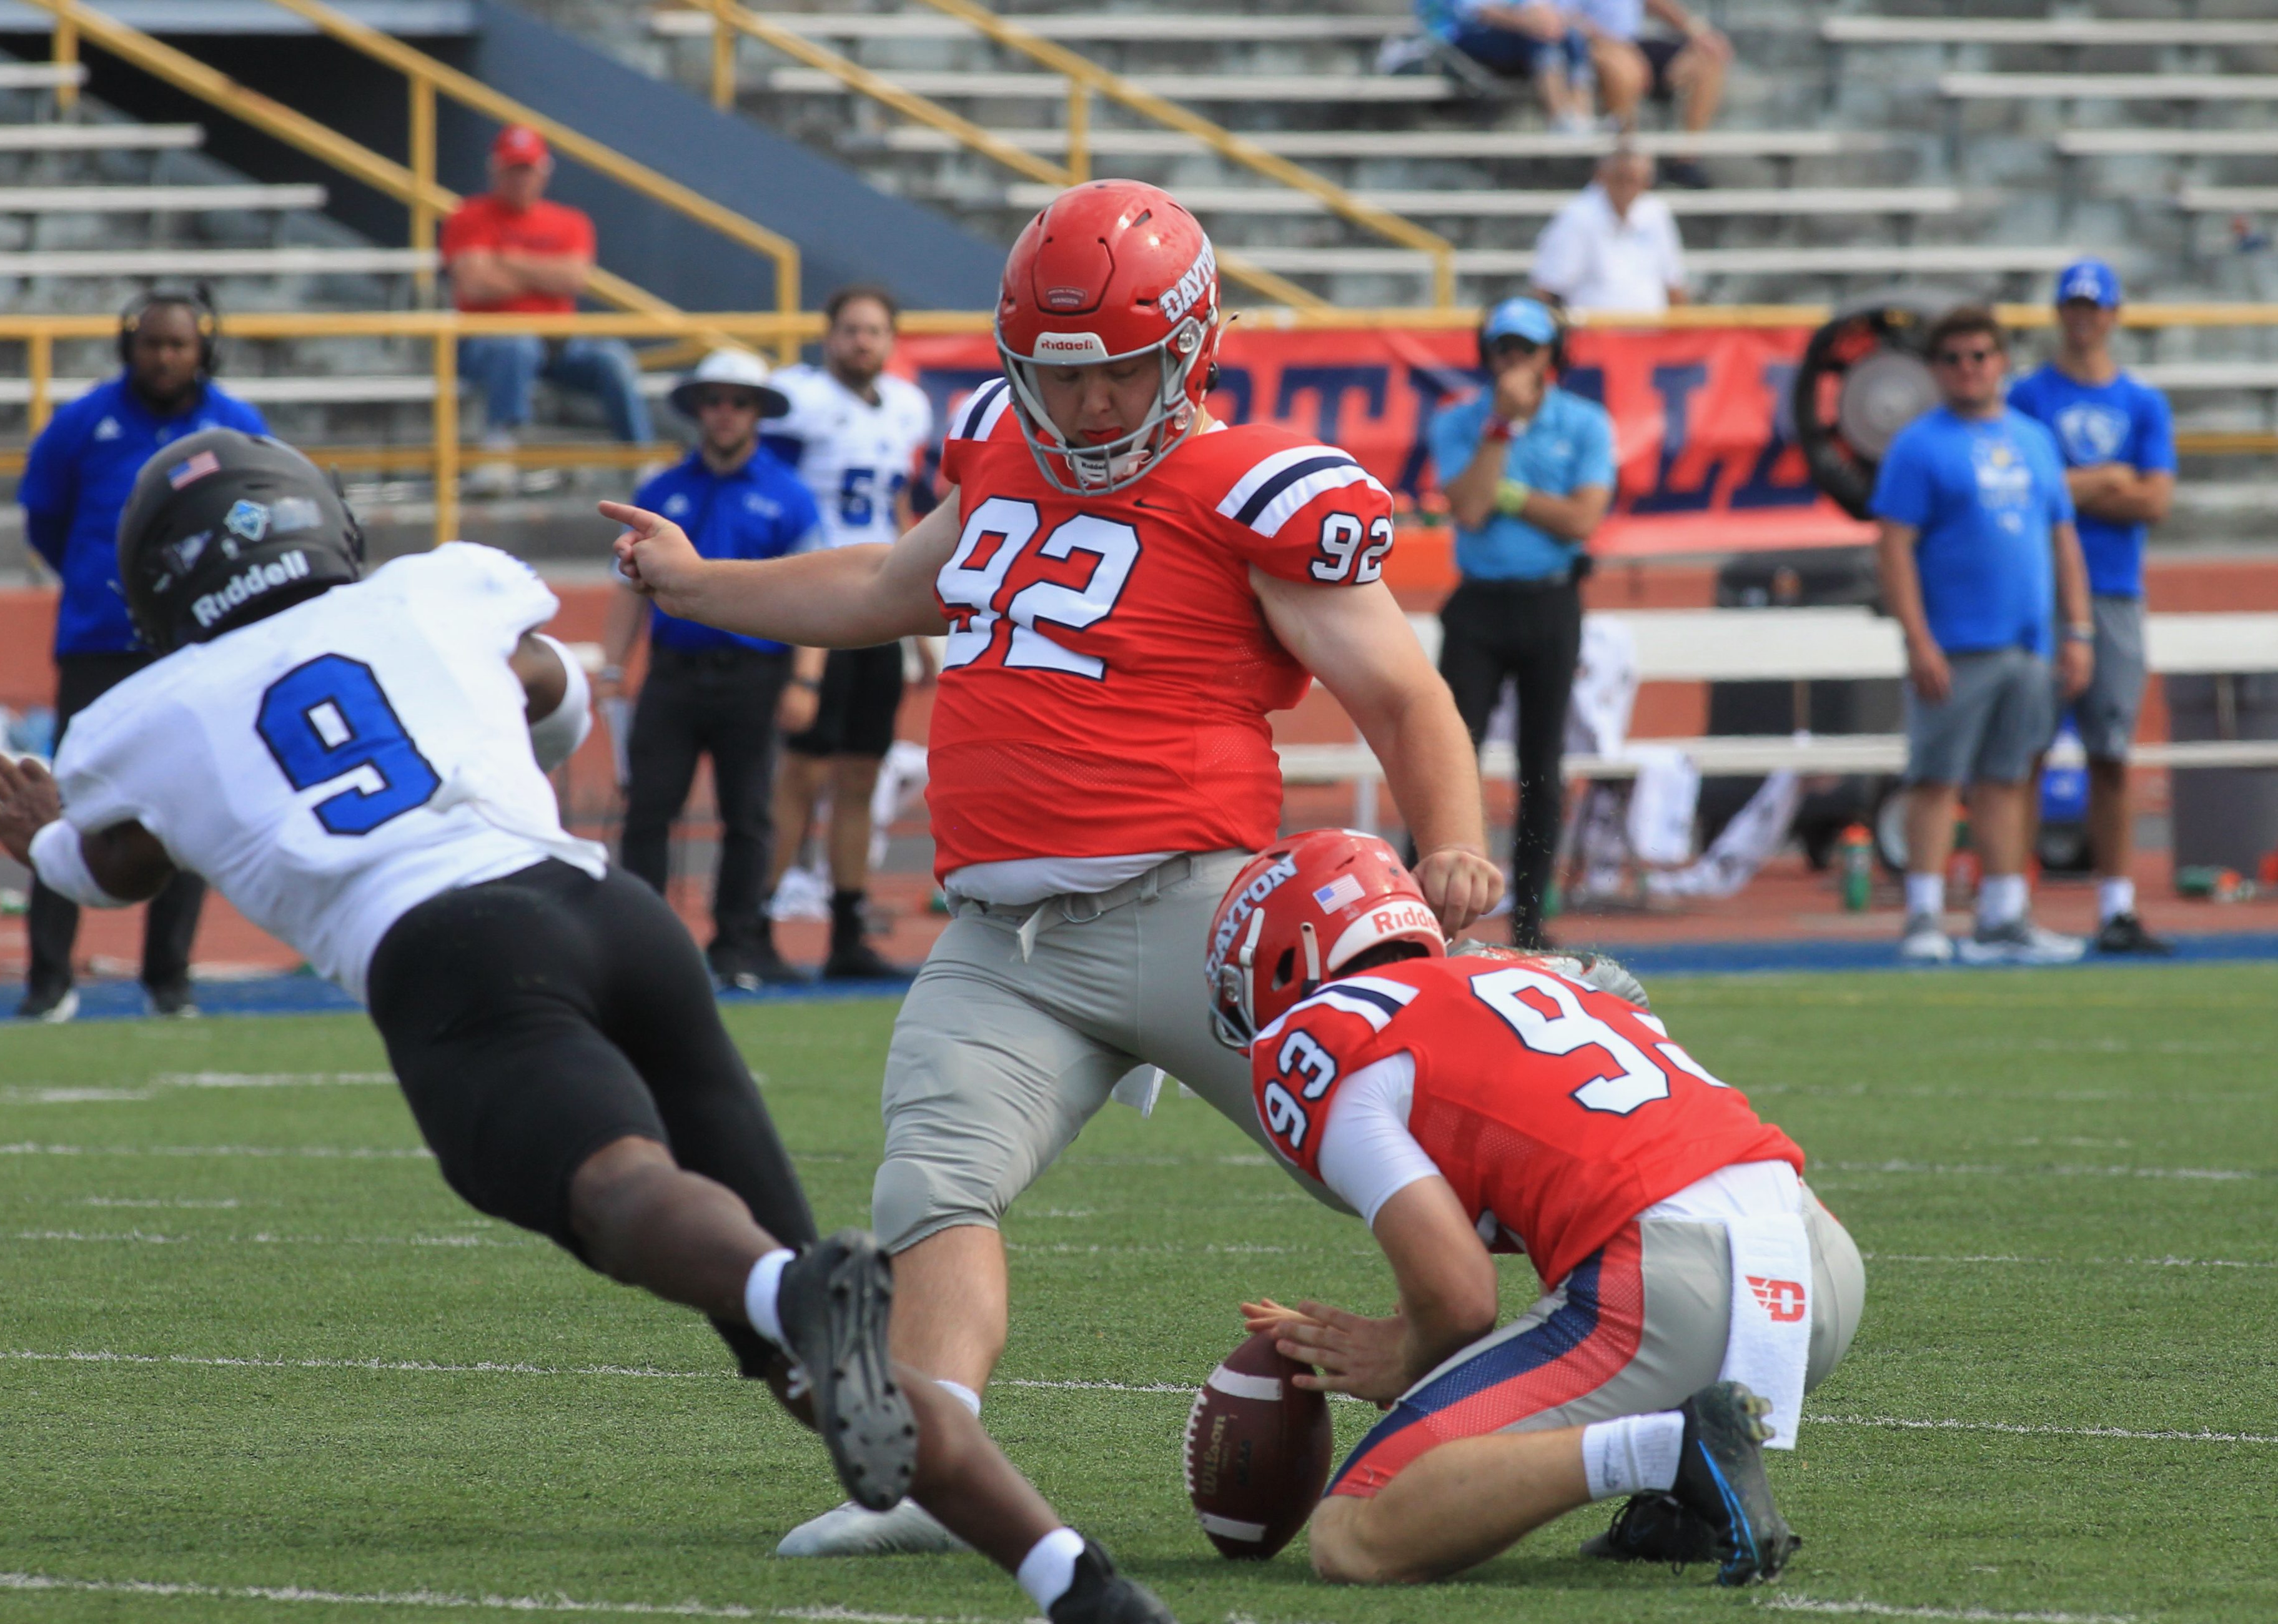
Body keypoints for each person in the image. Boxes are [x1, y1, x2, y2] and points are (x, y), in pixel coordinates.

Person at [0, 428, 1181, 1624]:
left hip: (453, 953)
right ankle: (1071, 1576)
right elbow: (553, 696)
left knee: (624, 1198)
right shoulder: (436, 587)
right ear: (312, 515)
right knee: (812, 1369)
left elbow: (110, 865)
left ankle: (794, 1287)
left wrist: (45, 843)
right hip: (609, 911)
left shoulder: (147, 711)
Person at [604, 179, 1507, 1557]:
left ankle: (1605, 1367)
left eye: (1116, 374)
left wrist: (1449, 840)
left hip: (1198, 913)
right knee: (930, 1190)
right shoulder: (999, 451)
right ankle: (930, 1469)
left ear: (1193, 346)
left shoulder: (1251, 488)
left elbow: (1402, 694)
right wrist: (702, 582)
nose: (1084, 409)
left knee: (1429, 1155)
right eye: (1056, 376)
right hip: (998, 938)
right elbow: (877, 590)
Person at [1209, 828, 1863, 1587]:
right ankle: (1684, 1488)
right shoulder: (1552, 979)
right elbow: (1628, 1006)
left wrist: (1405, 1351)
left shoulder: (1319, 1036)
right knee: (1582, 1271)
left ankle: (1672, 1450)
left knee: (1354, 1531)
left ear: (1293, 949)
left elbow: (1459, 1299)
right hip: (1820, 1260)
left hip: (1674, 1287)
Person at [11, 287, 265, 1022]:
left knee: (190, 802)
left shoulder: (235, 425)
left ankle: (169, 978)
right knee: (68, 802)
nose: (164, 357)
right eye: (152, 343)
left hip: (194, 641)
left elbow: (258, 509)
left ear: (202, 349)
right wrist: (103, 582)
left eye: (178, 344)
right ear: (131, 346)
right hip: (99, 640)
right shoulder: (83, 423)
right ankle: (50, 980)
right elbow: (46, 518)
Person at [1873, 307, 2095, 966]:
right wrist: (1918, 637)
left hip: (2027, 641)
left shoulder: (2033, 438)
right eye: (1954, 359)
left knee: (2007, 778)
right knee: (1936, 778)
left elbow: (2062, 540)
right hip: (1956, 641)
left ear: (2001, 362)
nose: (1969, 369)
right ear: (1935, 371)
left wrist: (2077, 630)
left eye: (1980, 356)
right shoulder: (1918, 445)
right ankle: (1923, 912)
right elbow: (1894, 547)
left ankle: (2003, 913)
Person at [598, 349, 821, 990]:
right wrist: (614, 669)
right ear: (699, 409)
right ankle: (646, 947)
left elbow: (811, 589)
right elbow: (624, 587)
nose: (726, 413)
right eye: (715, 400)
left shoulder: (789, 494)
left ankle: (737, 947)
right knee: (647, 809)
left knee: (748, 813)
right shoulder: (660, 491)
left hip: (755, 673)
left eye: (740, 401)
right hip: (673, 670)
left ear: (757, 413)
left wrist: (806, 678)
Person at [761, 284, 938, 979]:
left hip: (881, 605)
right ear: (827, 335)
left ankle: (845, 928)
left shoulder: (906, 405)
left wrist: (920, 629)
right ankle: (756, 921)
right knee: (801, 771)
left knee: (864, 771)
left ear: (892, 340)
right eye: (850, 329)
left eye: (874, 331)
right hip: (812, 600)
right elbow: (772, 494)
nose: (862, 341)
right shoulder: (798, 398)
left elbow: (898, 506)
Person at [1430, 297, 1617, 949]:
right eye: (1502, 349)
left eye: (1526, 350)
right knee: (1447, 752)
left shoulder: (1587, 422)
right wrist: (1502, 432)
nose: (1512, 362)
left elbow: (1582, 520)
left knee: (1543, 765)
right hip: (1480, 603)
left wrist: (1513, 495)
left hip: (1551, 602)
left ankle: (1531, 921)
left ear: (1551, 357)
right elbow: (1473, 509)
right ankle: (1424, 911)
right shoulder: (1460, 422)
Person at [2007, 260, 2177, 956]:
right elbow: (2027, 489)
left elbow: (2156, 500)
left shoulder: (2142, 402)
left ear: (2112, 313)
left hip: (2113, 589)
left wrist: (2073, 488)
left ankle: (2117, 903)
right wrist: (2110, 479)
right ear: (2059, 314)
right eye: (2072, 306)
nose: (2083, 318)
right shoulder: (2028, 395)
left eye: (2094, 306)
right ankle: (2012, 901)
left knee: (2111, 749)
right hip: (2040, 591)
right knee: (2025, 753)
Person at [442, 123, 652, 489]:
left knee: (614, 359)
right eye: (513, 169)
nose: (520, 179)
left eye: (527, 169)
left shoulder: (570, 221)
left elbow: (573, 279)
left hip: (557, 344)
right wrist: (543, 271)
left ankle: (640, 459)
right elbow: (474, 285)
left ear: (543, 172)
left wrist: (505, 259)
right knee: (517, 345)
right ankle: (499, 450)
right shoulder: (468, 215)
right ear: (496, 170)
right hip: (484, 344)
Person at [1565, 0, 1730, 182]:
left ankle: (1686, 160)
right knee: (1624, 72)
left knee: (1708, 59)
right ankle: (1627, 165)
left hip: (1633, 42)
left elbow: (1656, 4)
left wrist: (1700, 33)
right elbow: (1564, 16)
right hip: (1592, 46)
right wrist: (1612, 44)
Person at [1530, 147, 1687, 314]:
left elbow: (1674, 285)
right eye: (1620, 179)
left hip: (1651, 333)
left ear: (1646, 183)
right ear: (1601, 177)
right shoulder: (1576, 216)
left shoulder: (1657, 212)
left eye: (1633, 180)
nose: (1626, 188)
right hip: (1593, 334)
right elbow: (1547, 288)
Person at [1421, 0, 1595, 133]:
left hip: (1513, 36)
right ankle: (1559, 118)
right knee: (1539, 38)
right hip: (1461, 39)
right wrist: (1527, 23)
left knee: (1572, 37)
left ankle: (1581, 116)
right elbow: (1476, 11)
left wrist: (1547, 20)